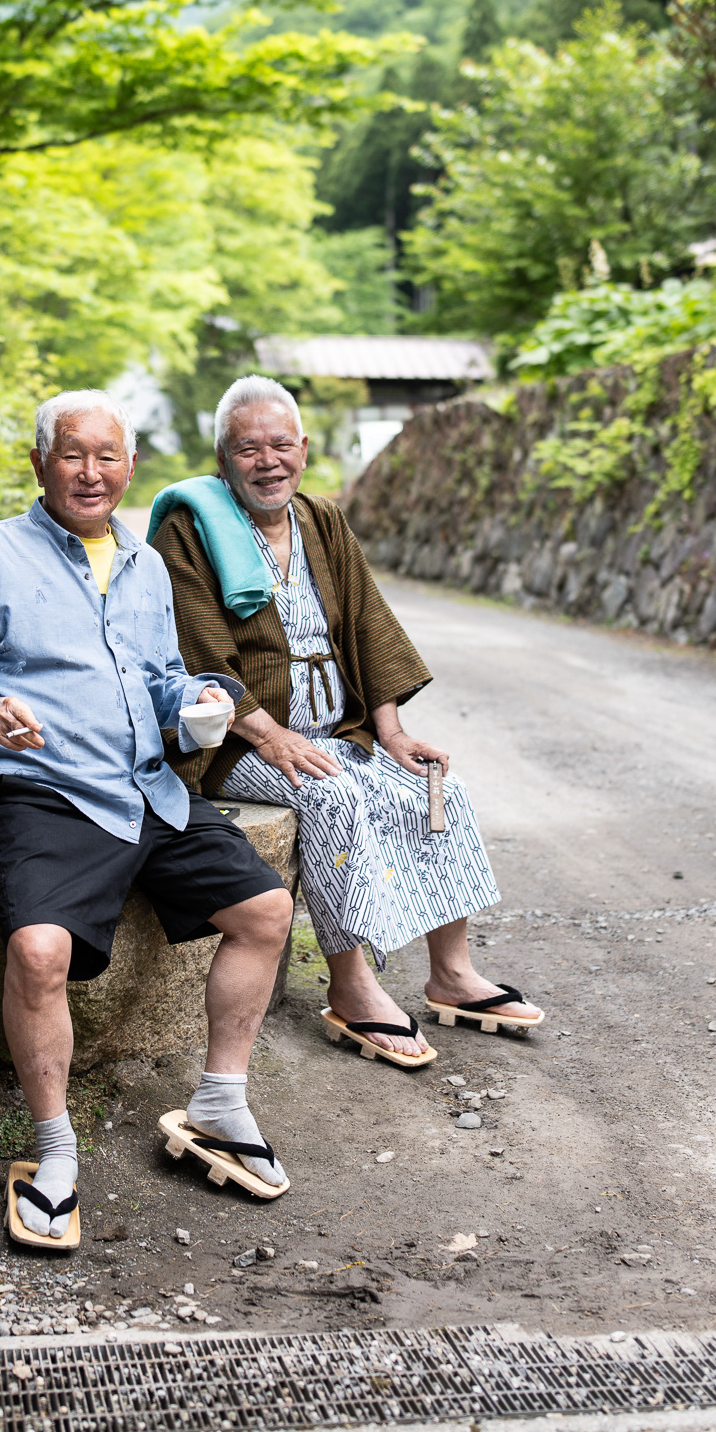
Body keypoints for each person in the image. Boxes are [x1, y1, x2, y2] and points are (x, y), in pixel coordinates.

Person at [0, 390, 296, 1244]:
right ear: (39, 462)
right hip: (33, 785)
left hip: (141, 783)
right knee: (39, 949)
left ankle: (218, 1106)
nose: (92, 473)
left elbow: (157, 674)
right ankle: (53, 1151)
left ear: (129, 466)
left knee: (265, 910)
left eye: (109, 457)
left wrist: (197, 695)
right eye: (74, 454)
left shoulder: (143, 562)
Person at [151, 375, 542, 1064]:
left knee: (433, 787)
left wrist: (390, 734)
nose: (267, 461)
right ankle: (350, 984)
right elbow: (195, 652)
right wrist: (269, 735)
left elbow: (365, 625)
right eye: (247, 449)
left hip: (337, 730)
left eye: (280, 445)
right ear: (221, 460)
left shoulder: (322, 519)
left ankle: (450, 972)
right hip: (237, 746)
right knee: (330, 795)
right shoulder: (190, 531)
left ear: (302, 449)